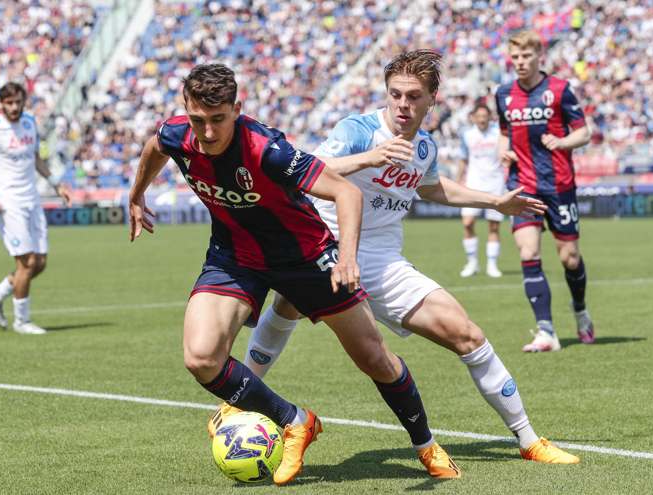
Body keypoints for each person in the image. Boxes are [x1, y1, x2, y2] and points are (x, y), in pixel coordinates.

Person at [129, 63, 464, 484]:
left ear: (237, 109)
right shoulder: (178, 133)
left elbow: (345, 191)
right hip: (234, 255)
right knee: (200, 358)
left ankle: (426, 445)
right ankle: (295, 422)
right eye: (199, 121)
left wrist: (347, 257)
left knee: (373, 357)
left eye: (218, 120)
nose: (208, 133)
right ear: (186, 110)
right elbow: (155, 146)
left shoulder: (268, 150)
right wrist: (137, 195)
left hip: (305, 257)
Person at [244, 50, 579, 465]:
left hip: (384, 260)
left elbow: (434, 189)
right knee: (288, 304)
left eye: (413, 97)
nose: (403, 105)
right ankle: (238, 402)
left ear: (432, 99)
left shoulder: (425, 148)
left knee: (467, 335)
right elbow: (308, 168)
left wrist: (495, 201)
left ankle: (529, 441)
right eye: (395, 95)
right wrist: (370, 157)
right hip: (328, 244)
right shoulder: (358, 130)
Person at [495, 30, 595, 352]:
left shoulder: (559, 90)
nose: (520, 62)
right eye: (515, 57)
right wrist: (503, 151)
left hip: (559, 186)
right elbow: (503, 132)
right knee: (528, 253)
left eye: (526, 56)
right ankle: (546, 331)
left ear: (539, 56)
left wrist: (562, 142)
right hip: (522, 185)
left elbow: (584, 133)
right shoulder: (503, 94)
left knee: (569, 258)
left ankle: (580, 310)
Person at [0, 82, 71, 335]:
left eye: (17, 102)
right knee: (27, 262)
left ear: (23, 101)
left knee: (40, 263)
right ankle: (22, 321)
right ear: (1, 104)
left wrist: (56, 185)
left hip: (32, 199)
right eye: (8, 103)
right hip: (9, 204)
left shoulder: (30, 122)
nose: (14, 107)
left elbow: (36, 159)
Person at [456, 103, 506, 278]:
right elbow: (463, 159)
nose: (482, 119)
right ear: (473, 117)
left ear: (490, 117)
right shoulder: (467, 135)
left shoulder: (499, 134)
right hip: (473, 183)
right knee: (468, 223)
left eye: (485, 116)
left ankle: (492, 265)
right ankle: (472, 263)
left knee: (494, 226)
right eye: (479, 116)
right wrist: (457, 181)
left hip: (495, 183)